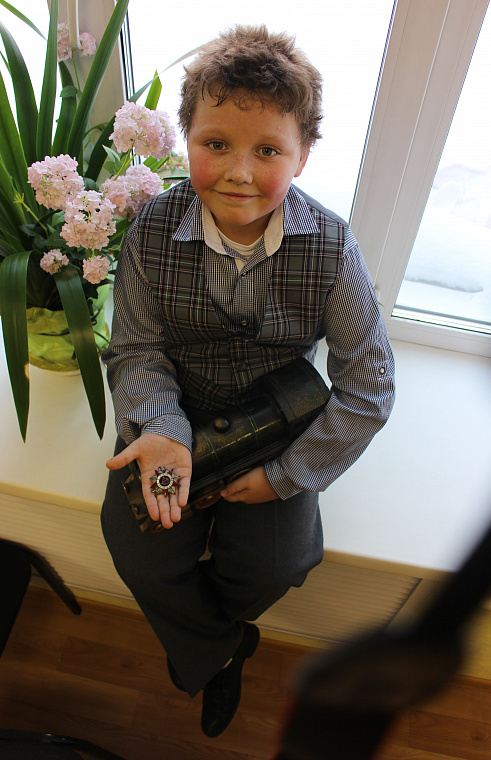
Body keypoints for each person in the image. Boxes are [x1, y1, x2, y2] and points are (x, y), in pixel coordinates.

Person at [101, 24, 395, 738]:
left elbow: (368, 388)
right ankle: (221, 652)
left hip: (278, 422)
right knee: (138, 547)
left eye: (267, 150)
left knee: (276, 563)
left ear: (302, 155)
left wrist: (286, 475)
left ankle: (208, 639)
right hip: (175, 410)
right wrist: (162, 429)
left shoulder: (332, 247)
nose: (238, 172)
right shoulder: (151, 230)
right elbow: (135, 348)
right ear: (186, 139)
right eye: (216, 144)